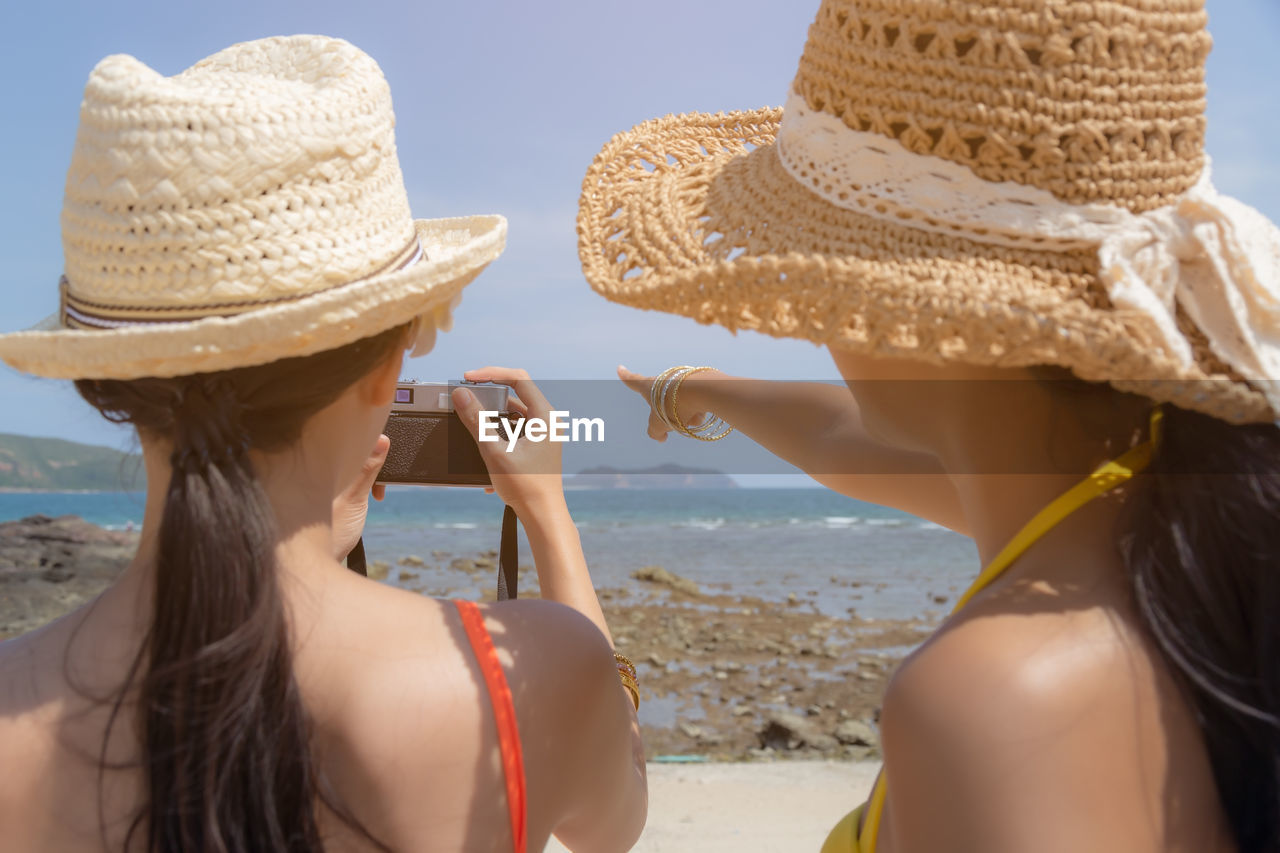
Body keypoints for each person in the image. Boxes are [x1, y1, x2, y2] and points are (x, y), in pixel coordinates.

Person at [577, 1, 1279, 851]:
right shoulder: (1166, 490)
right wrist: (695, 390)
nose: (808, 320)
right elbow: (846, 442)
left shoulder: (995, 697)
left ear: (888, 287)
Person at [0, 36, 646, 852]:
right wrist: (547, 513)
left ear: (112, 380)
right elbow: (614, 820)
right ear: (388, 363)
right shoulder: (529, 682)